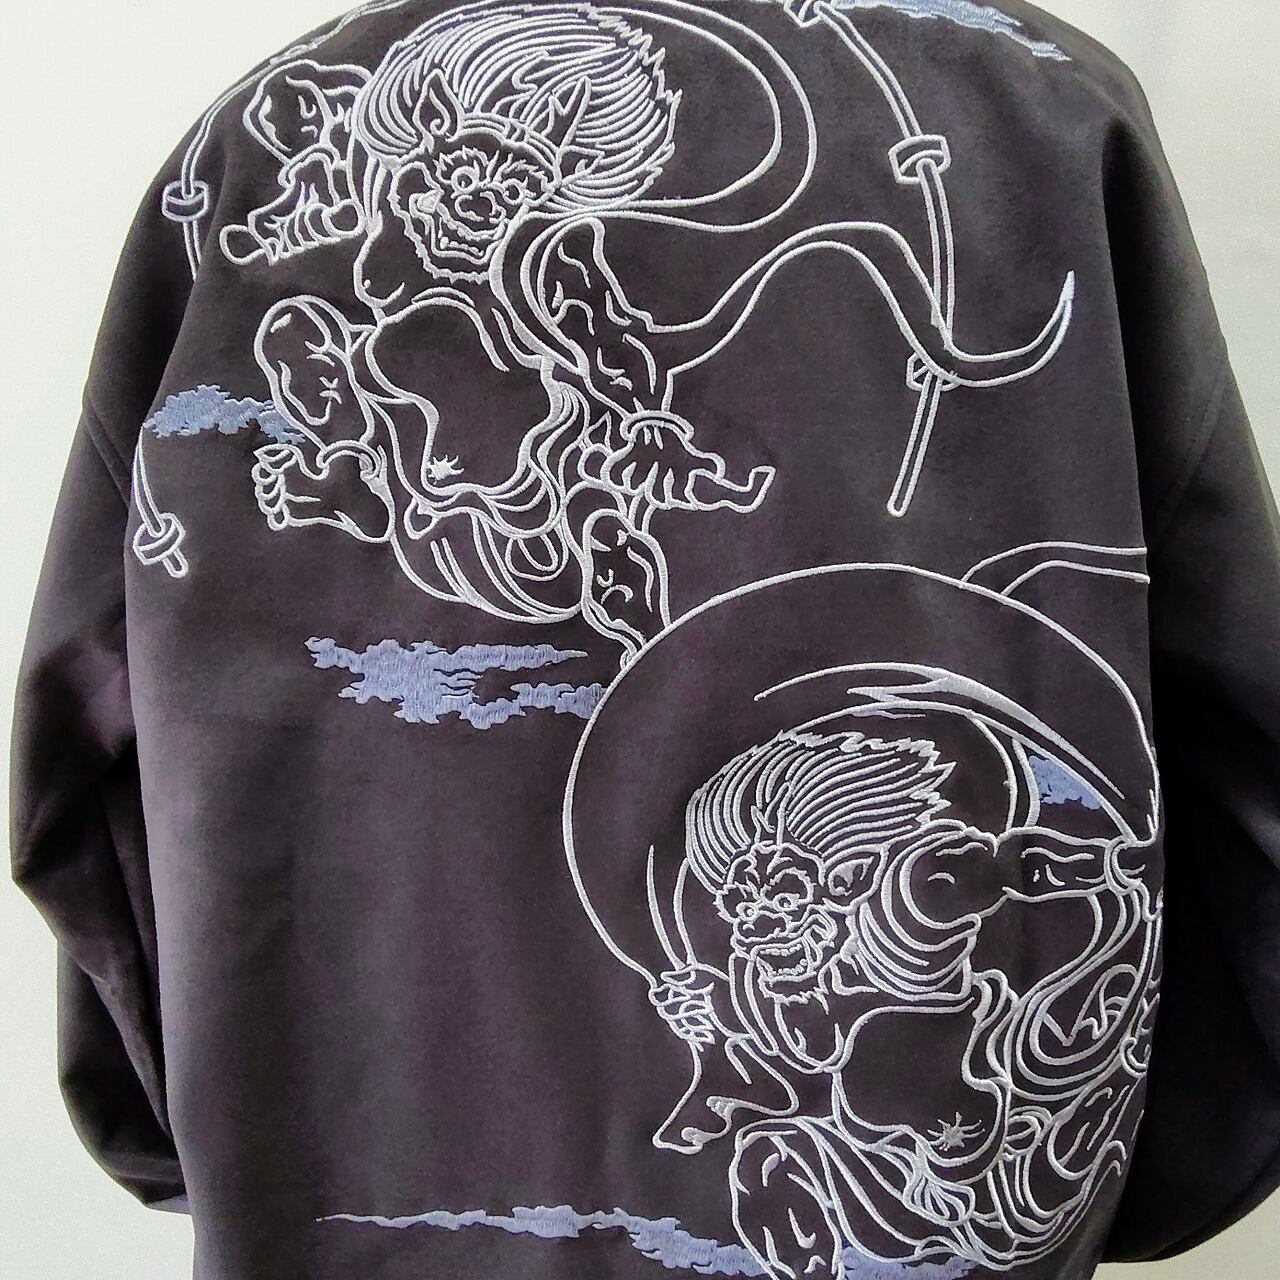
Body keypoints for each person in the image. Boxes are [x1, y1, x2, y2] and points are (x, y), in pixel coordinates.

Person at [12, 3, 1280, 1279]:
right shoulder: (1045, 112)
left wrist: (244, 1134)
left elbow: (83, 766)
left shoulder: (245, 143)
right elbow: (1240, 740)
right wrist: (1138, 1163)